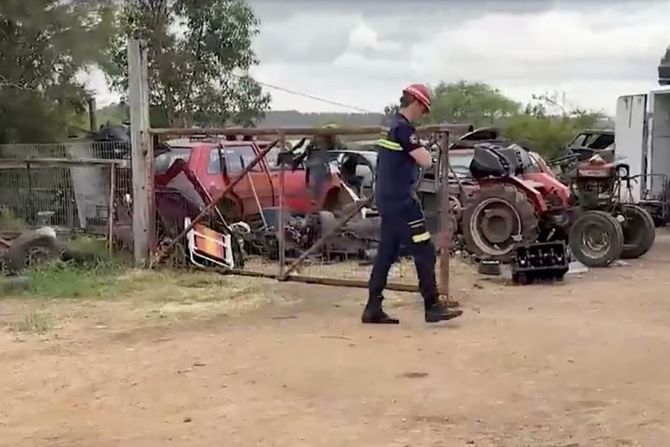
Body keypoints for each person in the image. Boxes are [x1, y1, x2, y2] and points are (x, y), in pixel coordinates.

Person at [363, 84, 464, 325]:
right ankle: (432, 305)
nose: (423, 114)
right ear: (416, 103)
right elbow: (426, 161)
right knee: (424, 250)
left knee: (386, 254)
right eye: (424, 109)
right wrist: (425, 148)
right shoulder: (403, 129)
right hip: (401, 201)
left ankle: (372, 307)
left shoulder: (391, 126)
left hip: (388, 200)